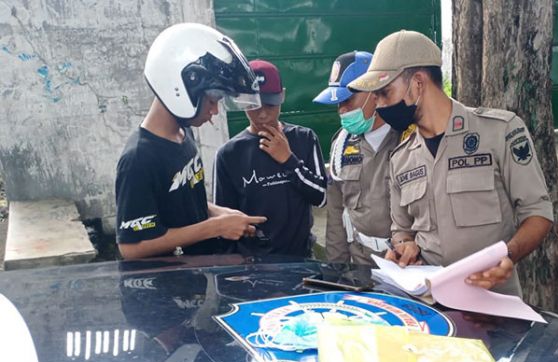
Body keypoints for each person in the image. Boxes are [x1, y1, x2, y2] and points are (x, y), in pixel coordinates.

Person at [348, 30, 553, 296]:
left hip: (491, 300)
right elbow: (401, 229)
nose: (378, 105)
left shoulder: (498, 131)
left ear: (418, 83)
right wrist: (403, 246)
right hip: (430, 302)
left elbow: (538, 213)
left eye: (384, 93)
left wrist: (509, 256)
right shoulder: (401, 158)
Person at [115, 23, 267, 260]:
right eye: (212, 99)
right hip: (164, 290)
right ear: (182, 88)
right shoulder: (139, 159)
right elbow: (132, 248)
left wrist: (219, 213)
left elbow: (179, 199)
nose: (215, 111)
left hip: (191, 280)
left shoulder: (183, 135)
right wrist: (215, 227)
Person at [214, 60, 327, 257]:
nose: (263, 114)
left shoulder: (304, 138)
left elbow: (321, 197)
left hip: (301, 259)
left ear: (282, 95)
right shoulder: (229, 154)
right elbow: (224, 221)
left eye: (270, 104)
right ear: (241, 101)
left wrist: (289, 160)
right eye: (254, 106)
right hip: (252, 266)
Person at [313, 51, 400, 265]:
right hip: (361, 264)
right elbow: (336, 213)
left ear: (375, 92)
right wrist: (336, 268)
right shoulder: (341, 145)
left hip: (405, 264)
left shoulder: (407, 138)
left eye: (349, 99)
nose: (342, 109)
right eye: (338, 103)